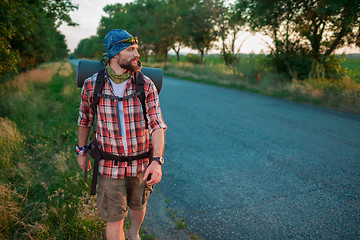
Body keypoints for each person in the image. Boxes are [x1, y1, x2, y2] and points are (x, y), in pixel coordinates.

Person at [76, 29, 167, 240]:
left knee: (138, 206)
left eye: (136, 49)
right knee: (114, 219)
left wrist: (156, 161)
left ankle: (134, 233)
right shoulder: (92, 84)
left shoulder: (145, 84)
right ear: (115, 55)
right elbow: (85, 120)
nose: (137, 54)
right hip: (109, 166)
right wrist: (81, 151)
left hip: (140, 163)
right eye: (130, 49)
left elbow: (157, 124)